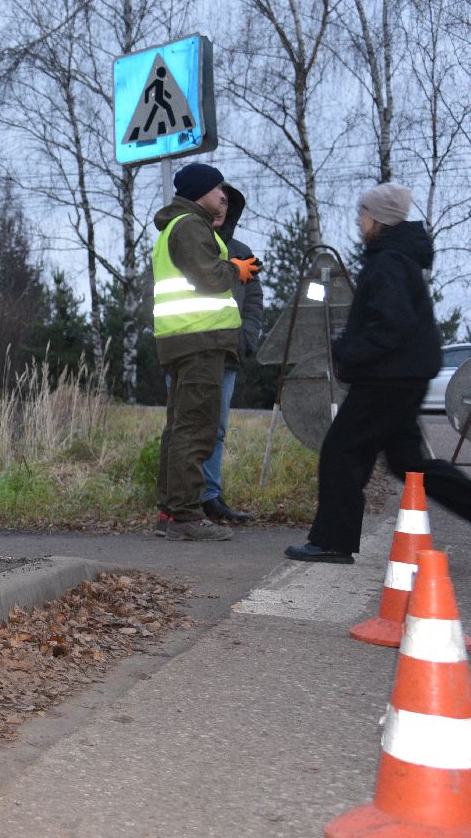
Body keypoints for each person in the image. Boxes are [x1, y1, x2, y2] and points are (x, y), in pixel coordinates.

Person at [286, 183, 471, 563]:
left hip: (388, 378)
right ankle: (333, 540)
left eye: (363, 214)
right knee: (410, 464)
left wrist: (347, 349)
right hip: (400, 376)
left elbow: (393, 325)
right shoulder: (396, 257)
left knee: (341, 450)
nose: (359, 221)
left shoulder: (389, 261)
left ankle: (333, 542)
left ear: (379, 219)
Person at [152, 162, 260, 542]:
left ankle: (170, 511)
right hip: (200, 342)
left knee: (180, 428)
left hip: (183, 341)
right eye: (219, 191)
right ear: (201, 192)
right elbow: (209, 277)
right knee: (196, 429)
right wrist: (235, 269)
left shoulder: (175, 227)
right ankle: (186, 515)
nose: (223, 198)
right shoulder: (190, 226)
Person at [199, 183, 264, 524]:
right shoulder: (190, 244)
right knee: (187, 426)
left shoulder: (241, 250)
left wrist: (247, 337)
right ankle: (182, 503)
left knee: (218, 428)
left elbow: (254, 297)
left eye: (228, 203)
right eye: (216, 201)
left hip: (228, 354)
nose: (222, 208)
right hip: (191, 351)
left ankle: (210, 497)